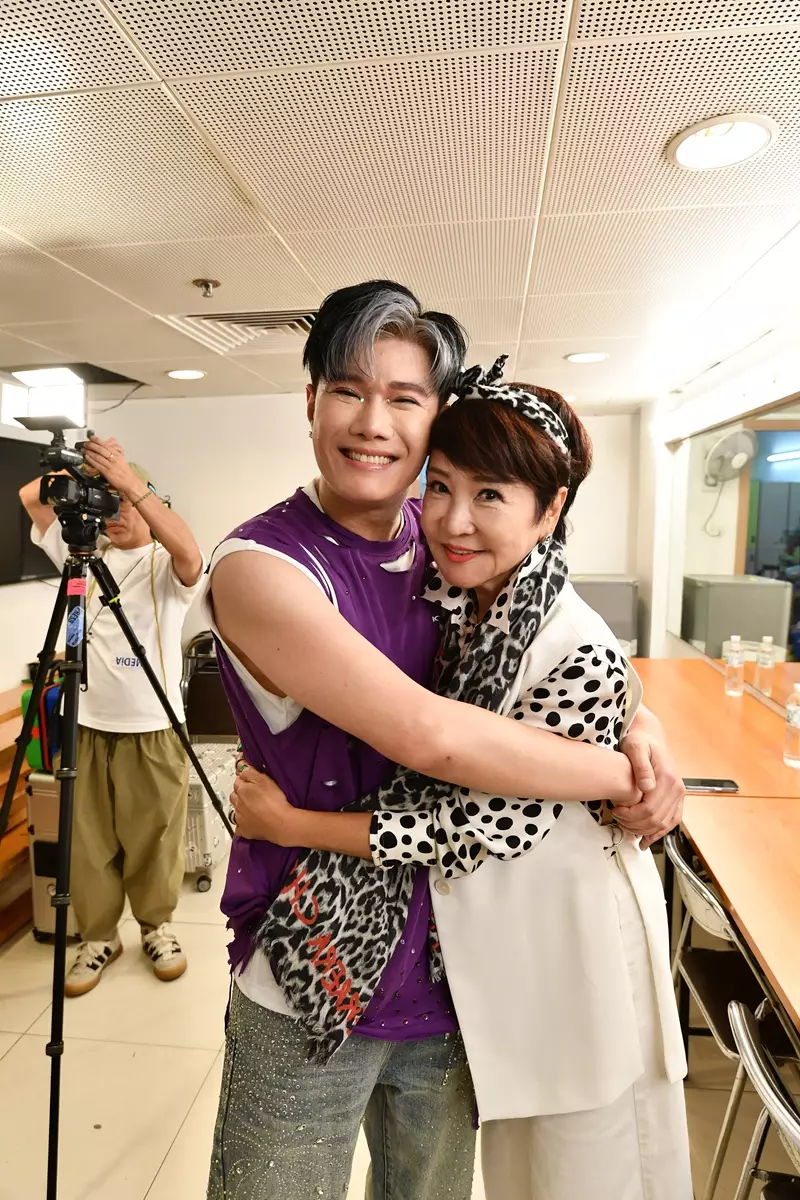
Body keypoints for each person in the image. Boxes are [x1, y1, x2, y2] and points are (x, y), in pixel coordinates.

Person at [204, 280, 684, 1200]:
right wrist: (616, 770)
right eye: (348, 390)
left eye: (404, 398)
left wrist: (641, 726)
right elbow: (433, 737)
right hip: (313, 973)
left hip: (459, 973)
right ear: (310, 401)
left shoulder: (446, 549)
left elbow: (558, 654)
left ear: (435, 418)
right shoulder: (264, 567)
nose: (372, 422)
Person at [19, 438, 204, 996]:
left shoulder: (163, 566)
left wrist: (128, 483)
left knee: (154, 839)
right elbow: (30, 497)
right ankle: (99, 936)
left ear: (146, 500)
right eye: (106, 503)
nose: (115, 513)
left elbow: (192, 555)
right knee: (88, 842)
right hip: (89, 726)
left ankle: (156, 928)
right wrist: (77, 471)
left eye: (123, 502)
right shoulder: (82, 557)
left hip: (153, 728)